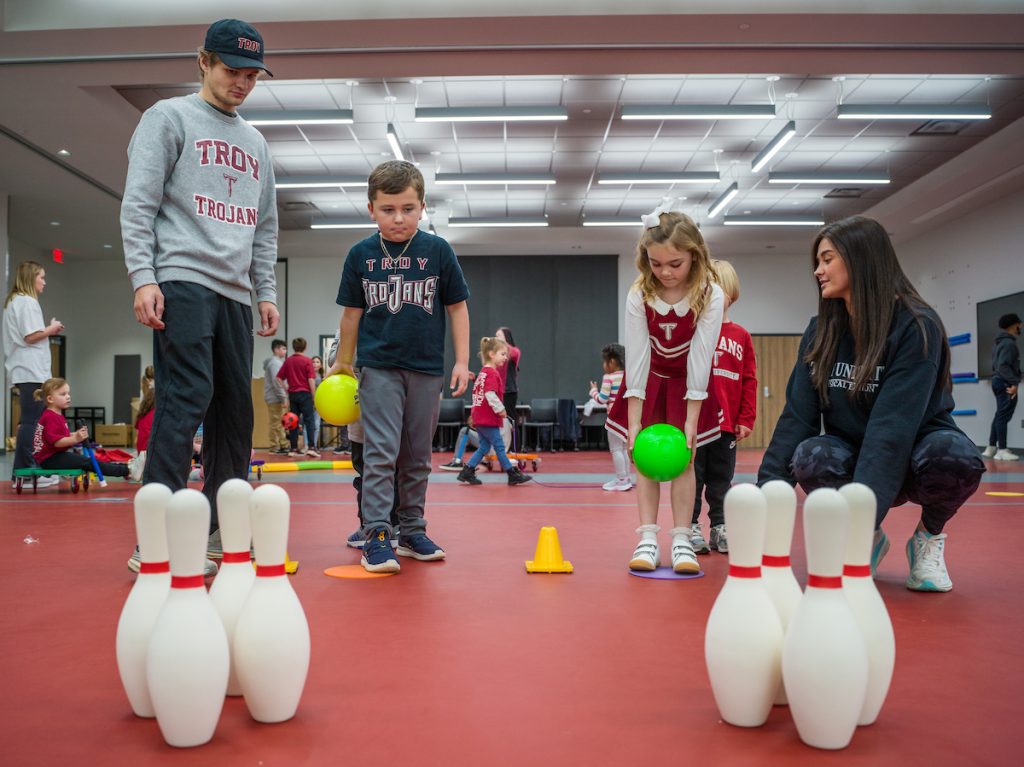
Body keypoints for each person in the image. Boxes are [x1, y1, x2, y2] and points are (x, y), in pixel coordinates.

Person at [121, 18, 278, 575]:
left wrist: (265, 290)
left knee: (235, 411)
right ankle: (156, 538)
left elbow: (264, 227)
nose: (242, 83)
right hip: (182, 276)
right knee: (187, 395)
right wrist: (143, 277)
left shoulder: (256, 143)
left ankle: (218, 527)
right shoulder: (167, 118)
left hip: (234, 292)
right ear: (203, 61)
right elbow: (139, 203)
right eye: (232, 70)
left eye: (252, 75)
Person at [757, 215, 985, 592]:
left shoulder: (916, 326)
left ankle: (928, 537)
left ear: (860, 259)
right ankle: (874, 539)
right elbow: (797, 417)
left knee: (955, 457)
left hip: (915, 453)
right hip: (851, 452)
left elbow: (891, 430)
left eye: (827, 260)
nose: (818, 271)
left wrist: (856, 529)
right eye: (817, 261)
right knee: (810, 455)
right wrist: (766, 498)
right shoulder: (821, 330)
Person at [328, 159, 470, 574]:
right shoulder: (361, 255)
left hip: (426, 369)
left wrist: (462, 361)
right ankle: (377, 531)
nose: (398, 218)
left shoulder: (438, 251)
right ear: (371, 209)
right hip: (378, 368)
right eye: (388, 209)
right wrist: (343, 362)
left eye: (408, 209)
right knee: (380, 452)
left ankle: (411, 530)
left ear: (422, 207)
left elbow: (457, 308)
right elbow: (351, 315)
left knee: (418, 456)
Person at [606, 201, 724, 574]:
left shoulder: (710, 293)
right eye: (656, 264)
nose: (666, 272)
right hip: (650, 381)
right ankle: (647, 538)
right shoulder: (639, 293)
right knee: (645, 458)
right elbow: (638, 357)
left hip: (690, 385)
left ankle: (683, 539)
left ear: (695, 255)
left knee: (685, 459)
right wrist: (634, 422)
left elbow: (701, 358)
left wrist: (690, 422)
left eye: (675, 263)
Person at [690, 260, 757, 555]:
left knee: (721, 480)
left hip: (726, 425)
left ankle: (719, 526)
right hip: (696, 424)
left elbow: (749, 379)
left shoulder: (741, 336)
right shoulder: (693, 331)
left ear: (729, 294)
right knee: (692, 478)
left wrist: (746, 418)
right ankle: (690, 526)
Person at [3, 261, 64, 489]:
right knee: (32, 422)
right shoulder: (27, 302)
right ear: (31, 278)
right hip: (30, 370)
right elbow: (30, 336)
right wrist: (51, 329)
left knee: (30, 421)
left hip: (26, 370)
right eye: (42, 277)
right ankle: (27, 473)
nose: (44, 282)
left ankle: (25, 472)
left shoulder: (15, 302)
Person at [457, 337, 533, 486]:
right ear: (491, 354)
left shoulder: (483, 373)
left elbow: (480, 392)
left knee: (484, 447)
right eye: (502, 354)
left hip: (480, 417)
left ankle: (467, 471)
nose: (505, 358)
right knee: (499, 446)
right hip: (488, 419)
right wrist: (501, 409)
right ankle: (512, 474)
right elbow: (489, 394)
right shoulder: (492, 374)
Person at [32, 378, 132, 481]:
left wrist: (75, 434)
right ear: (50, 399)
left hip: (53, 457)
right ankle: (126, 470)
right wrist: (76, 438)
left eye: (68, 393)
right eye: (63, 394)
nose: (68, 396)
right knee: (88, 462)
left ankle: (125, 468)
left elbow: (59, 436)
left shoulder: (54, 414)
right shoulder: (51, 417)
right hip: (50, 459)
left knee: (89, 461)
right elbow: (57, 442)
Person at [584, 343, 631, 491]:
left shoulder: (608, 377)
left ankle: (621, 479)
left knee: (616, 449)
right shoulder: (628, 375)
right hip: (627, 418)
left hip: (614, 419)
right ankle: (626, 478)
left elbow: (602, 399)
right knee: (624, 449)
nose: (603, 365)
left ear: (612, 361)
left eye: (604, 361)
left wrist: (593, 391)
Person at [983, 312, 1020, 461]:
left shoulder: (998, 343)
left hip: (997, 381)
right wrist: (1014, 383)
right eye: (1019, 324)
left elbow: (996, 366)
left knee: (999, 415)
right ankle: (1002, 450)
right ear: (1014, 325)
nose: (1021, 326)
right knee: (1003, 416)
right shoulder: (1009, 344)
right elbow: (1003, 366)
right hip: (1005, 382)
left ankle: (991, 448)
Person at [276, 337, 318, 458]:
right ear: (305, 347)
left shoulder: (288, 361)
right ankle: (311, 447)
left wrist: (286, 389)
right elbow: (311, 380)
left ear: (293, 347)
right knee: (309, 421)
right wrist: (314, 396)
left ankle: (293, 448)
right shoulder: (307, 361)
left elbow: (278, 378)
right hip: (305, 394)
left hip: (293, 394)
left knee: (292, 421)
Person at [438, 414, 513, 472]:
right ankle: (483, 461)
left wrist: (477, 423)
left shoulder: (488, 414)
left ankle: (457, 462)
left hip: (494, 448)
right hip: (505, 449)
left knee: (465, 431)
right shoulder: (506, 416)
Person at [262, 339, 290, 455]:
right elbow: (277, 382)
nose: (285, 351)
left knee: (278, 422)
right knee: (276, 423)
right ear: (276, 349)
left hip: (276, 397)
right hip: (275, 398)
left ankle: (281, 444)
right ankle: (276, 446)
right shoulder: (275, 363)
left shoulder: (277, 362)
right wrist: (283, 397)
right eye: (283, 348)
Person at [129, 385, 156, 482]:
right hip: (150, 450)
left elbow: (138, 434)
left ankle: (141, 464)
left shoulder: (142, 414)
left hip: (141, 450)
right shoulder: (157, 414)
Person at [495, 326, 521, 414]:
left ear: (506, 337)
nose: (496, 338)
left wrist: (502, 343)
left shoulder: (514, 351)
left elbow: (514, 353)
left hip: (509, 391)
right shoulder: (497, 355)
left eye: (498, 336)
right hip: (498, 390)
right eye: (496, 336)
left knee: (509, 416)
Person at [311, 355, 324, 450]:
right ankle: (307, 445)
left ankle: (314, 445)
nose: (315, 364)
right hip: (309, 403)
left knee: (316, 425)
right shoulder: (308, 375)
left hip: (319, 404)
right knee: (308, 425)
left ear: (321, 365)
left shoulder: (323, 376)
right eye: (313, 362)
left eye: (317, 362)